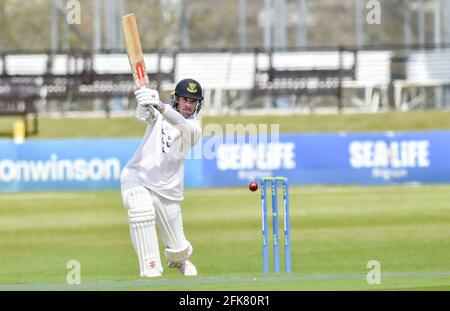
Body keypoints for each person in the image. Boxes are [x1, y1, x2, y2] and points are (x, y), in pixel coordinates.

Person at [120, 78, 203, 277]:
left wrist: (158, 104)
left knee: (178, 251)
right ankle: (150, 269)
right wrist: (144, 106)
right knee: (141, 210)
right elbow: (147, 116)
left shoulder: (194, 129)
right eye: (184, 99)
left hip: (168, 190)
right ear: (176, 99)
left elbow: (179, 121)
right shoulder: (159, 115)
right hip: (137, 177)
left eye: (192, 101)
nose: (188, 105)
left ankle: (181, 260)